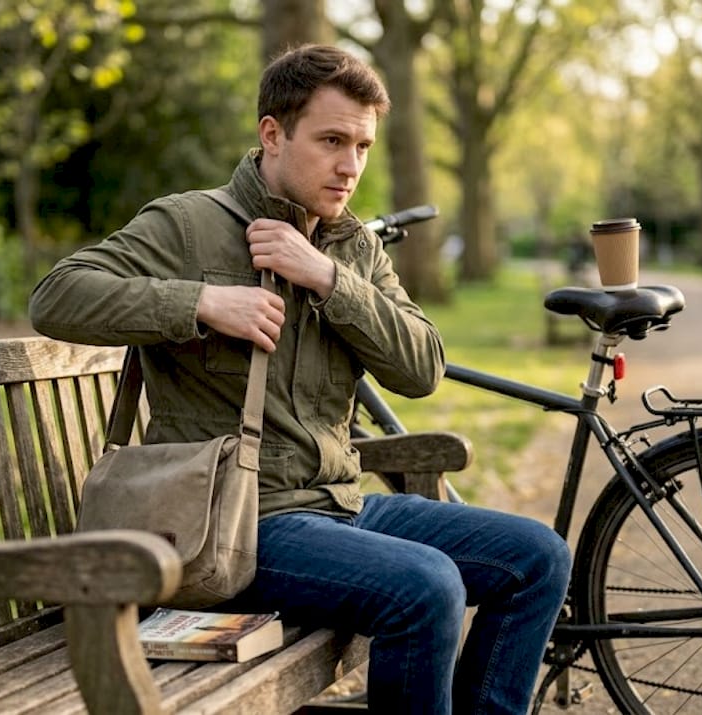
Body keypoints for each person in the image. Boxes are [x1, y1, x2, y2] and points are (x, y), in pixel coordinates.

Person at [29, 43, 570, 714]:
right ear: (272, 135)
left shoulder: (352, 247)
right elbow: (56, 296)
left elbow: (422, 367)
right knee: (426, 586)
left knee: (539, 558)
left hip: (340, 505)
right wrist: (198, 303)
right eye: (332, 141)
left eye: (363, 146)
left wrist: (329, 279)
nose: (350, 167)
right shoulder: (189, 224)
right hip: (238, 523)